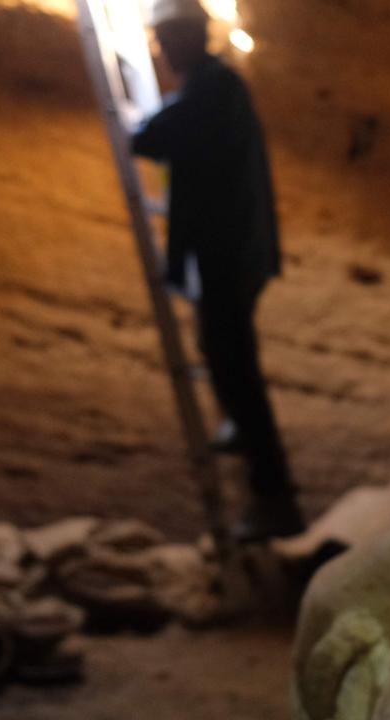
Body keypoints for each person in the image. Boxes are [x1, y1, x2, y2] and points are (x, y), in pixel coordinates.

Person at [132, 0, 303, 541]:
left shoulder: (215, 88)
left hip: (231, 251)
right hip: (228, 251)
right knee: (220, 351)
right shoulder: (212, 88)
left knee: (238, 368)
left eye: (164, 40)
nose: (159, 51)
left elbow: (152, 137)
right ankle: (253, 459)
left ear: (189, 38)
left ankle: (275, 499)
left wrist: (143, 124)